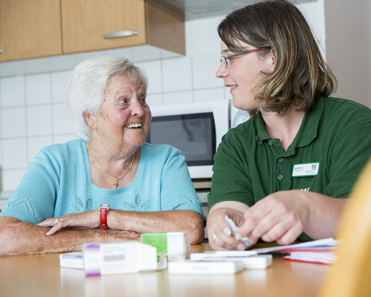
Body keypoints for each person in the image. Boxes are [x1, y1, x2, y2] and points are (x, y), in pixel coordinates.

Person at [207, 0, 371, 251]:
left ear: (272, 57)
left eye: (230, 58)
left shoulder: (352, 124)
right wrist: (223, 223)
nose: (220, 72)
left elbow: (362, 218)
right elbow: (229, 207)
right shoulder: (236, 144)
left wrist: (303, 207)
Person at [0, 56, 204, 257]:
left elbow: (192, 228)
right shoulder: (56, 162)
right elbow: (5, 235)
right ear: (91, 116)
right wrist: (103, 238)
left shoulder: (166, 160)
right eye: (124, 101)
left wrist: (103, 217)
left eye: (142, 99)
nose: (140, 110)